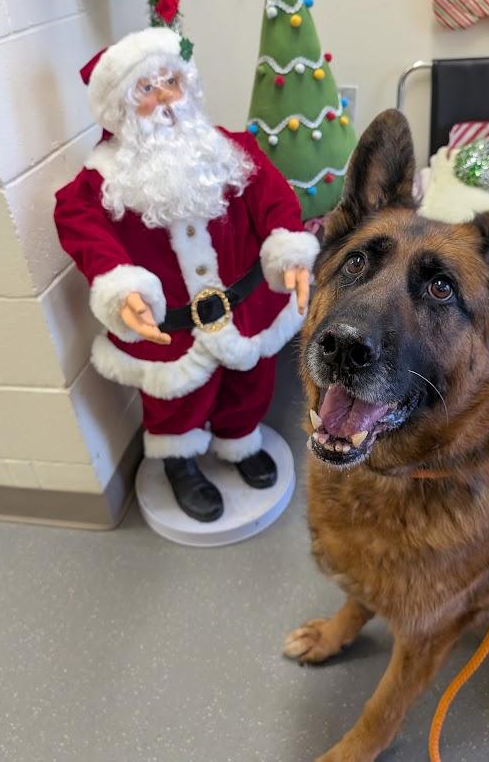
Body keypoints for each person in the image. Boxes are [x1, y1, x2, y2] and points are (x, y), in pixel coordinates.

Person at [54, 28, 319, 522]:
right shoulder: (99, 183)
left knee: (251, 384)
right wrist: (121, 286)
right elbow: (85, 233)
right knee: (176, 403)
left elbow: (275, 201)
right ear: (119, 109)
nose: (164, 98)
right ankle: (179, 464)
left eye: (171, 82)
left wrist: (290, 250)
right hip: (170, 328)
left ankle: (240, 443)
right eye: (146, 90)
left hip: (246, 309)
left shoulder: (230, 149)